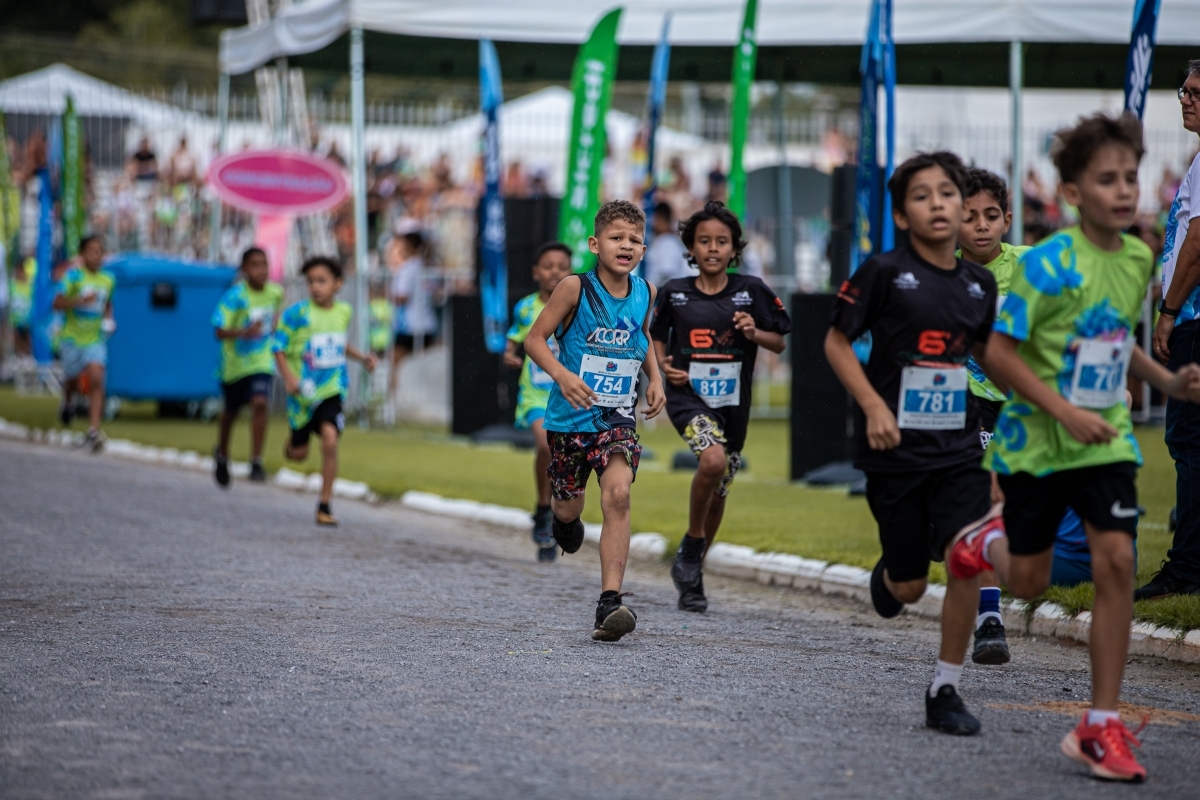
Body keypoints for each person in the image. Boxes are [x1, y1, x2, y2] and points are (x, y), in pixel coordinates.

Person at [949, 112, 1200, 782]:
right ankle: (984, 545)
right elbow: (998, 351)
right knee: (1028, 581)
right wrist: (1059, 409)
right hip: (1036, 441)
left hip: (1104, 437)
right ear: (1070, 191)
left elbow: (1110, 339)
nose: (1124, 191)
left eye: (1130, 178)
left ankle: (1100, 723)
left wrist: (1166, 380)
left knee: (1116, 561)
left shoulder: (1140, 258)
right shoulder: (1045, 265)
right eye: (1106, 179)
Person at [825, 151, 998, 736]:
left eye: (947, 193)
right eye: (922, 196)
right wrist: (874, 406)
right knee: (910, 585)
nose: (938, 205)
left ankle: (945, 687)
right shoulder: (882, 272)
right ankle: (891, 576)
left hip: (959, 446)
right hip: (895, 450)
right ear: (902, 215)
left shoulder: (978, 283)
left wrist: (1049, 397)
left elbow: (990, 354)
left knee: (967, 555)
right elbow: (836, 342)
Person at [524, 200, 666, 642]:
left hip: (616, 417)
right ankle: (563, 522)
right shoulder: (574, 288)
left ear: (644, 249)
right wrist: (563, 376)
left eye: (634, 239)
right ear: (594, 244)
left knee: (618, 495)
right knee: (568, 509)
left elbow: (643, 336)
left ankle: (610, 602)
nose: (626, 245)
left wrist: (655, 378)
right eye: (616, 237)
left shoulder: (646, 292)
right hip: (569, 421)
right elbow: (534, 340)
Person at [652, 201, 791, 612]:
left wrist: (755, 332)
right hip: (688, 398)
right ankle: (692, 543)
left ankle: (692, 576)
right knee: (711, 462)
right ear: (691, 248)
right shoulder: (674, 292)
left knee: (719, 490)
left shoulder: (752, 291)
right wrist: (662, 365)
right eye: (704, 241)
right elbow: (656, 335)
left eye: (722, 241)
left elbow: (779, 342)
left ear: (735, 248)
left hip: (733, 404)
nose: (713, 248)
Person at [956, 168, 1030, 665]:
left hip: (1022, 399)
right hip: (968, 402)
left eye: (990, 216)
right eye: (970, 217)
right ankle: (989, 619)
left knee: (1015, 509)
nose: (981, 226)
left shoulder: (1031, 265)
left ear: (1007, 219)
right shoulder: (942, 271)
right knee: (988, 497)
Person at [1146, 59, 1200, 600]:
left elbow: (1198, 242)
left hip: (1194, 322)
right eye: (1183, 90)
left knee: (1189, 442)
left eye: (1197, 92)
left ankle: (1187, 570)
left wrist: (1169, 310)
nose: (1186, 99)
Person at [273, 256, 377, 526]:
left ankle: (324, 505)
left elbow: (338, 344)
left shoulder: (343, 312)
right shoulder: (296, 314)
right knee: (298, 455)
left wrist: (362, 357)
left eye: (322, 281)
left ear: (338, 284)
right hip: (302, 394)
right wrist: (289, 377)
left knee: (330, 442)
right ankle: (293, 443)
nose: (316, 287)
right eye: (311, 282)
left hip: (332, 389)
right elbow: (278, 346)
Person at [504, 241, 574, 562]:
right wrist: (509, 354)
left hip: (569, 393)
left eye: (562, 267)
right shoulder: (525, 308)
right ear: (536, 272)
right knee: (546, 446)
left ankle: (559, 515)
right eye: (548, 266)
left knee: (566, 456)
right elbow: (515, 337)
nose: (554, 272)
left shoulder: (577, 305)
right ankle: (544, 509)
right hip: (535, 393)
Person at [211, 247, 284, 487]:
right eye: (255, 265)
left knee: (260, 402)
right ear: (244, 269)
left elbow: (274, 320)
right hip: (235, 365)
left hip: (262, 360)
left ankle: (256, 461)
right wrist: (244, 331)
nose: (261, 270)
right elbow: (219, 331)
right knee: (230, 413)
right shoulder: (235, 297)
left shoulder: (275, 293)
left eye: (264, 265)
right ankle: (222, 453)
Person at [54, 235, 115, 453]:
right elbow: (57, 303)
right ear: (82, 254)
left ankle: (93, 430)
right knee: (72, 379)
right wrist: (79, 301)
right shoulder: (73, 277)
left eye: (99, 251)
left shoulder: (108, 280)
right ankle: (68, 400)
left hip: (94, 338)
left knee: (96, 377)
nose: (95, 256)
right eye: (91, 251)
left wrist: (109, 320)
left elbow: (107, 304)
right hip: (72, 338)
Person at [389, 229, 437, 406]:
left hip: (409, 326)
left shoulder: (407, 269)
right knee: (423, 366)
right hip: (428, 324)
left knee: (396, 364)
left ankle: (393, 405)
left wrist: (385, 295)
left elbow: (402, 296)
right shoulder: (427, 268)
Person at [641, 202, 691, 288]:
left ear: (661, 219)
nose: (653, 223)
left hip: (666, 293)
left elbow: (667, 276)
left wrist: (655, 293)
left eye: (655, 218)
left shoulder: (668, 242)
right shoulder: (662, 240)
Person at [9, 257, 33, 356]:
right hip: (15, 321)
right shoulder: (12, 286)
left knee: (28, 338)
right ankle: (20, 354)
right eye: (18, 272)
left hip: (27, 320)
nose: (20, 274)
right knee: (16, 338)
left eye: (21, 272)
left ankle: (26, 353)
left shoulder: (29, 286)